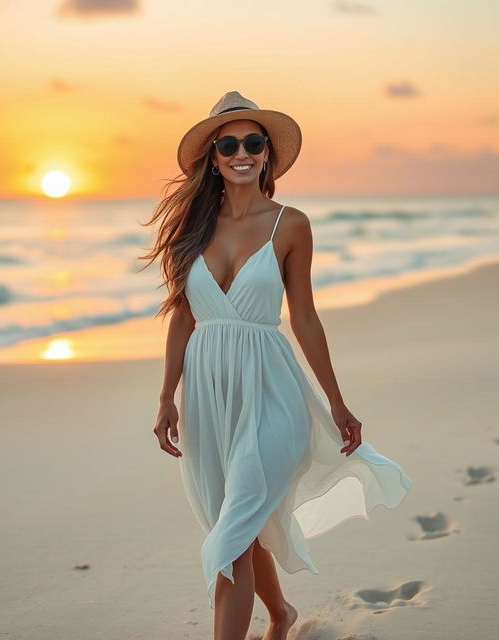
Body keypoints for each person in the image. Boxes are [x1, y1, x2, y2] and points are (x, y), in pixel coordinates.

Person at [143, 91, 412, 640]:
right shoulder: (189, 230)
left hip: (272, 393)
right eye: (228, 144)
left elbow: (306, 319)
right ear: (213, 157)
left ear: (267, 153)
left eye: (253, 142)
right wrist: (166, 396)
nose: (242, 152)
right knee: (238, 526)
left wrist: (336, 403)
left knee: (231, 538)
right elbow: (181, 319)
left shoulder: (291, 224)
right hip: (208, 400)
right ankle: (281, 614)